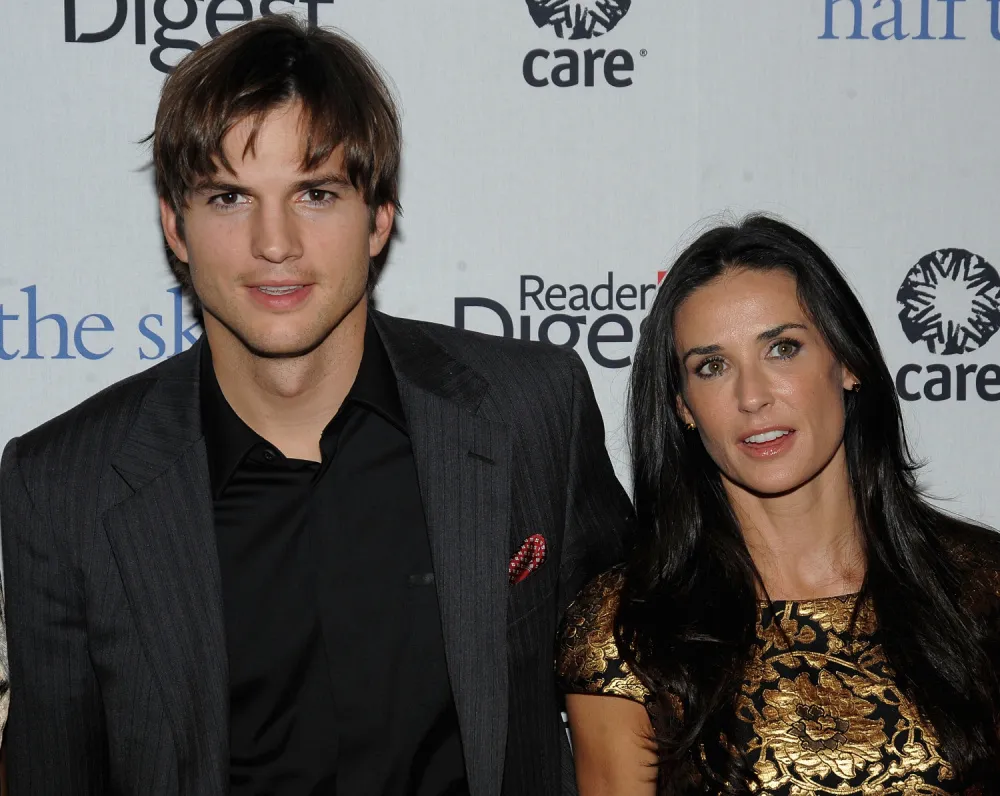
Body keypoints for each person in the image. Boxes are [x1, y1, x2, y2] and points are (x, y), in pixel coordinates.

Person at [0, 15, 633, 796]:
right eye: (230, 197)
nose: (276, 243)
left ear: (379, 218)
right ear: (175, 225)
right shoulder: (64, 487)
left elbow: (646, 668)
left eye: (316, 192)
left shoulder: (531, 412)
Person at [557, 215, 1000, 795]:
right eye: (711, 367)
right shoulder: (627, 626)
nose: (752, 397)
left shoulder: (982, 586)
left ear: (847, 363)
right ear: (683, 407)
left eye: (782, 348)